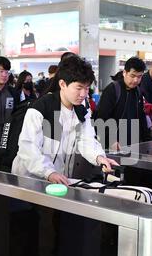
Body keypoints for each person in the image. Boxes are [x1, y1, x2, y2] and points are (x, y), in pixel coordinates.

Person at [12, 55, 117, 184]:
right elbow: (28, 146)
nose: (83, 94)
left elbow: (86, 139)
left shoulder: (81, 109)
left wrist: (99, 157)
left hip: (59, 178)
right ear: (62, 84)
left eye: (86, 88)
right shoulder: (42, 107)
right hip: (30, 178)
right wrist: (48, 172)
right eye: (79, 88)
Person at [94, 57, 152, 150]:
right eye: (132, 76)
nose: (136, 80)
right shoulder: (113, 89)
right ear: (124, 73)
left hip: (132, 144)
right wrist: (111, 140)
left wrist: (147, 140)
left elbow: (141, 117)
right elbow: (101, 119)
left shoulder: (138, 91)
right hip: (114, 146)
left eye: (139, 76)